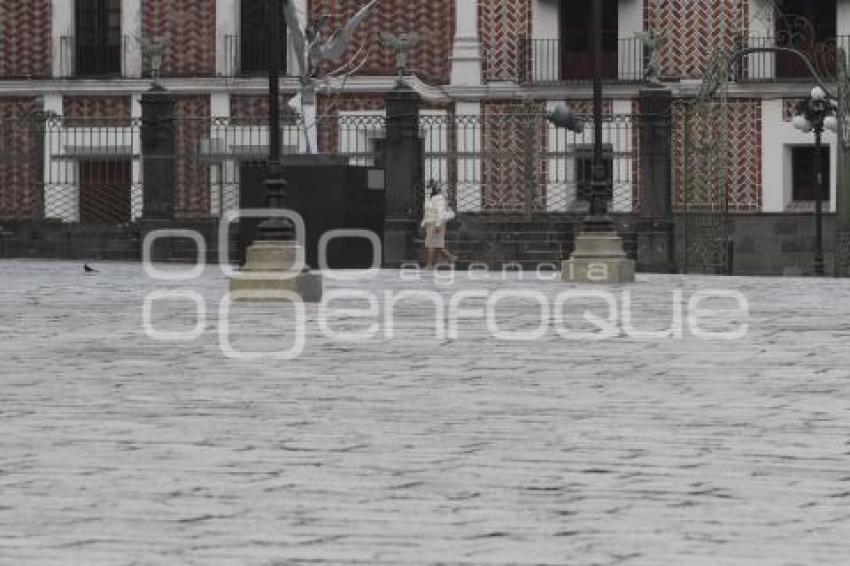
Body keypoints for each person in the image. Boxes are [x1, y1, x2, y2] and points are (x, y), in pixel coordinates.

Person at [421, 180, 457, 269]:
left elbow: (440, 213)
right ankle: (450, 257)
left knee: (431, 245)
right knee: (437, 245)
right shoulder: (429, 198)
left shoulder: (439, 198)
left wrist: (438, 225)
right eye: (428, 187)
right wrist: (423, 223)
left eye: (430, 187)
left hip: (436, 223)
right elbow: (427, 212)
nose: (428, 189)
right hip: (429, 223)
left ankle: (429, 265)